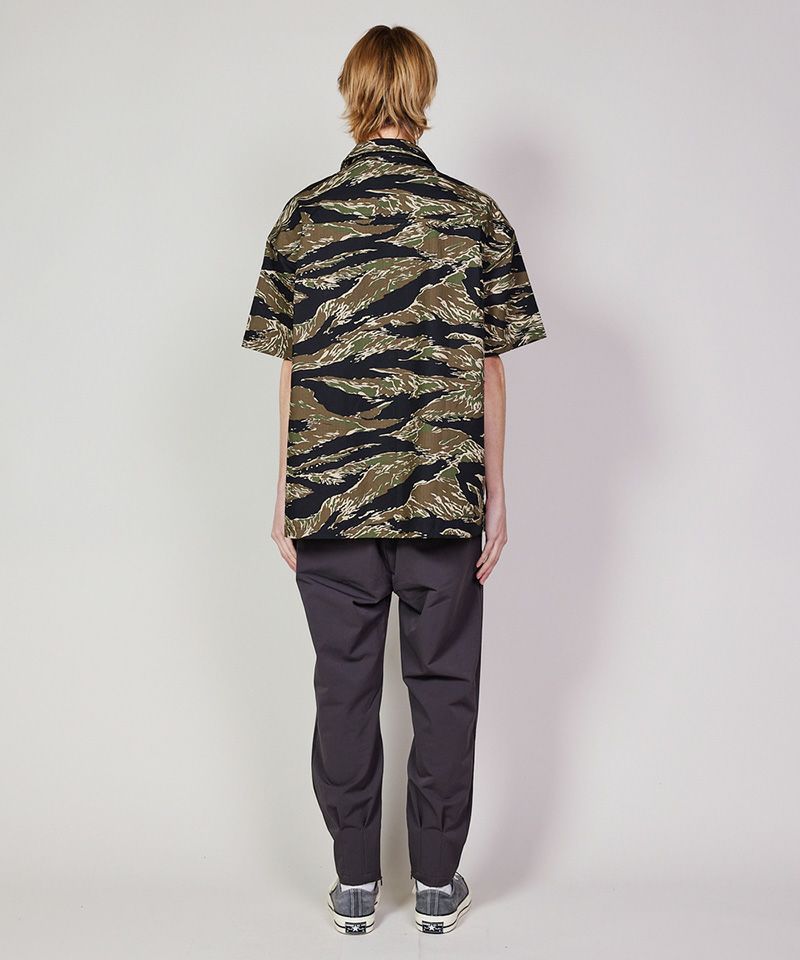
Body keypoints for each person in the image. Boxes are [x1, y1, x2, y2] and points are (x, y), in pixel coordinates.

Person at [241, 24, 546, 935]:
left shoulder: (304, 215)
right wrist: (495, 493)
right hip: (442, 495)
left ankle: (354, 884)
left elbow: (293, 365)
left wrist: (285, 494)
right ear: (423, 92)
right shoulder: (475, 214)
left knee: (344, 687)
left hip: (330, 496)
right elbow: (491, 368)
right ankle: (439, 884)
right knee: (444, 685)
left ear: (353, 92)